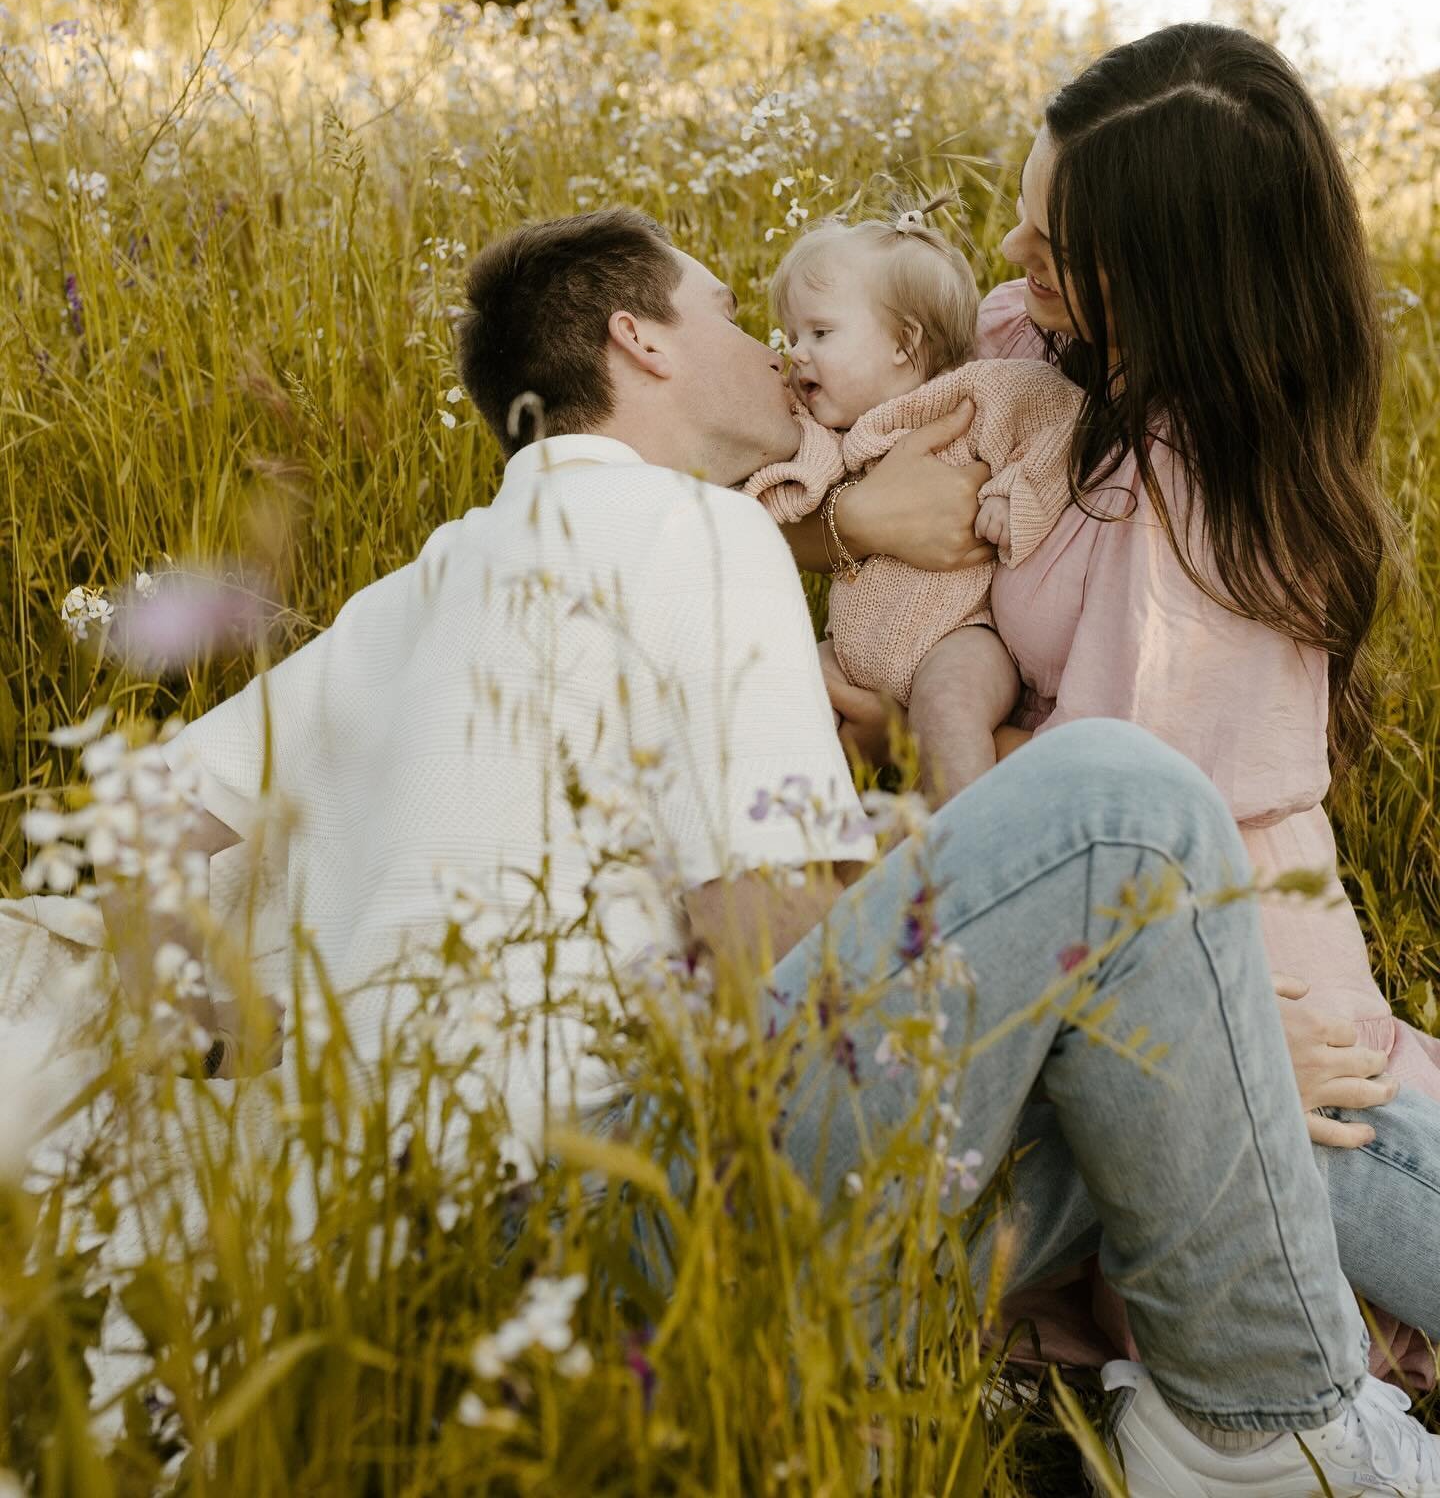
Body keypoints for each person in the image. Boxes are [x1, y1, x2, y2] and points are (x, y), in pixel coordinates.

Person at [154, 208, 1439, 1494]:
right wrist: (1150, 1011)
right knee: (1121, 811)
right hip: (624, 1237)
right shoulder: (694, 534)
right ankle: (1266, 1430)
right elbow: (765, 944)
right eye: (727, 312)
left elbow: (144, 838)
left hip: (396, 1253)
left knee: (1187, 1062)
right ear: (641, 340)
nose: (773, 352)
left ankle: (1253, 1419)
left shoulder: (421, 586)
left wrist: (248, 1033)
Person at [815, 23, 1440, 1385]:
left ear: (1171, 274)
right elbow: (889, 544)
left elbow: (1118, 847)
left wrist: (952, 756)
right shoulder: (1040, 350)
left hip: (1209, 913)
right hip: (1047, 867)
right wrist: (866, 533)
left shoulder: (1207, 533)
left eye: (1054, 245)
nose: (1015, 259)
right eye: (1029, 220)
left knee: (1316, 1137)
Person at [743, 199, 1081, 796]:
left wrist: (1013, 492)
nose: (797, 352)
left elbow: (1066, 423)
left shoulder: (977, 392)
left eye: (820, 333)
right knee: (774, 691)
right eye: (794, 335)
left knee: (949, 707)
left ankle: (962, 837)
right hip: (853, 649)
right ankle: (811, 849)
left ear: (905, 342)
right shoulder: (825, 430)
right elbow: (781, 494)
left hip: (961, 635)